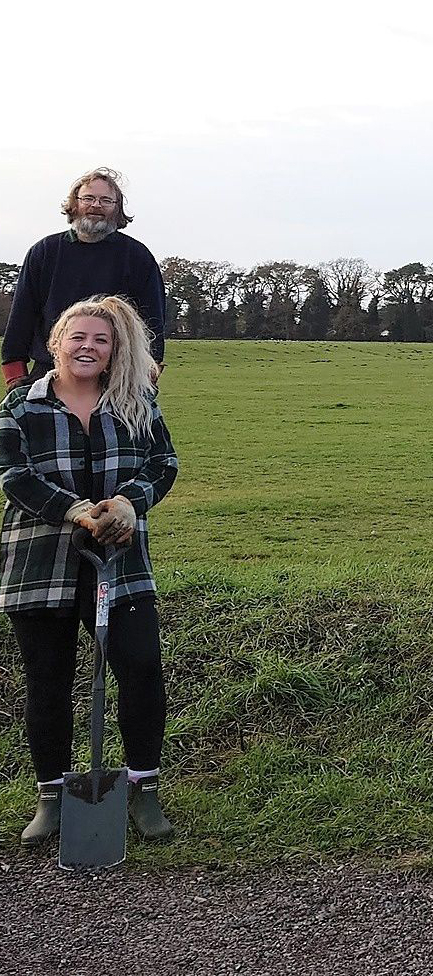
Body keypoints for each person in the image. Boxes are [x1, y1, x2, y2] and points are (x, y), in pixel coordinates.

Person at [0, 296, 179, 845]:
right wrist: (74, 510)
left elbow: (163, 463)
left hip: (119, 563)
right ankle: (51, 797)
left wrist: (127, 503)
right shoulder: (19, 407)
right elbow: (11, 472)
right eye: (77, 337)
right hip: (40, 561)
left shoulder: (136, 402)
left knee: (141, 666)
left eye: (101, 340)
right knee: (47, 682)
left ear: (113, 352)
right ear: (55, 343)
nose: (88, 347)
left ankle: (142, 789)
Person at [4, 168, 167, 389]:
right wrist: (15, 376)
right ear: (75, 203)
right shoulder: (44, 252)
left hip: (116, 380)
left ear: (117, 209)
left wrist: (146, 379)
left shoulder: (138, 257)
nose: (96, 205)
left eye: (106, 200)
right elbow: (22, 316)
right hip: (49, 374)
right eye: (88, 198)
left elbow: (152, 324)